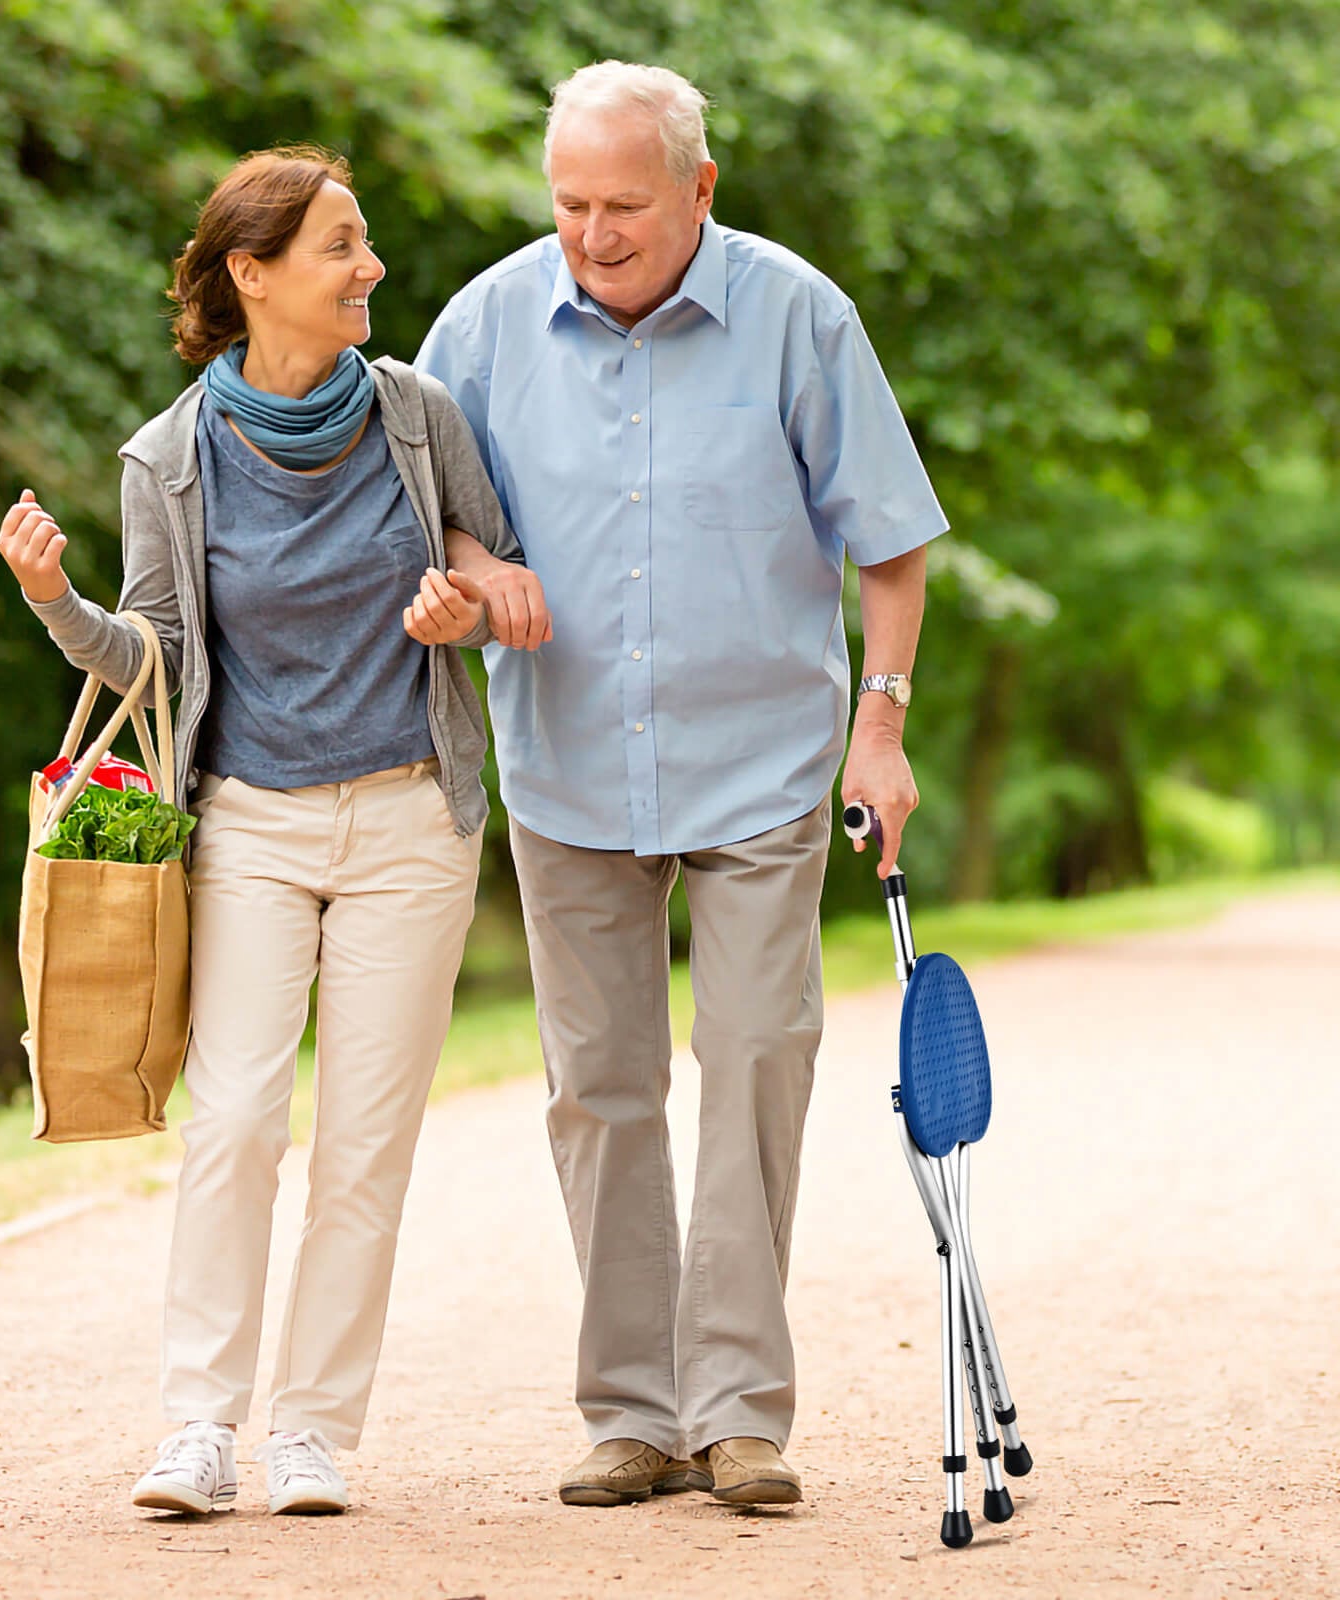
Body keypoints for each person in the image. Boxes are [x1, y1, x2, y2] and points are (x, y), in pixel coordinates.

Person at [418, 62, 947, 1508]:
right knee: (597, 1087)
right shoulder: (478, 326)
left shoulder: (799, 317)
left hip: (762, 762)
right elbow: (429, 527)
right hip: (567, 765)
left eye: (626, 207)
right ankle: (635, 1414)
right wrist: (477, 576)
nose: (593, 234)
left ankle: (739, 1413)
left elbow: (890, 541)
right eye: (572, 203)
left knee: (761, 1055)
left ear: (700, 191)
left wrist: (881, 729)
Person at [0, 146, 546, 1518]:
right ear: (253, 274)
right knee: (236, 1119)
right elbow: (157, 658)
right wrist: (56, 601)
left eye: (362, 244)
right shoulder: (170, 458)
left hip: (412, 817)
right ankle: (199, 1423)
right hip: (249, 824)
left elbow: (489, 567)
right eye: (340, 247)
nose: (369, 270)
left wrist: (461, 612)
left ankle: (311, 1430)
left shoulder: (418, 415)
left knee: (367, 1140)